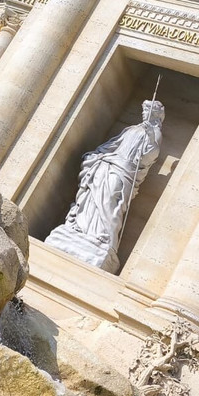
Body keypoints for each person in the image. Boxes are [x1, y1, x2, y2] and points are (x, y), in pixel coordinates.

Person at [46, 99, 165, 273]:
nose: (144, 114)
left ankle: (103, 238)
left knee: (110, 202)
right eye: (144, 111)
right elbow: (111, 146)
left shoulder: (154, 133)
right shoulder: (131, 129)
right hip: (108, 164)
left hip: (124, 171)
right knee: (91, 199)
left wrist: (150, 136)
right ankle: (80, 228)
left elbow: (150, 156)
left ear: (155, 115)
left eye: (148, 111)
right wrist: (96, 156)